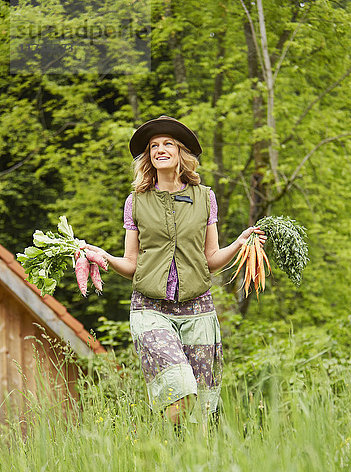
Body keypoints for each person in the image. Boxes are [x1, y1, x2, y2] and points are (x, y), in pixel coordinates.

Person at [86, 115, 266, 426]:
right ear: (149, 157)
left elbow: (209, 258)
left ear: (181, 152)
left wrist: (238, 244)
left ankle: (187, 460)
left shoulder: (204, 198)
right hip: (150, 309)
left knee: (198, 406)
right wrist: (104, 257)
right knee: (179, 387)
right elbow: (131, 264)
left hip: (199, 310)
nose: (159, 149)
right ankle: (174, 454)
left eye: (168, 143)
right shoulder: (136, 202)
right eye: (153, 146)